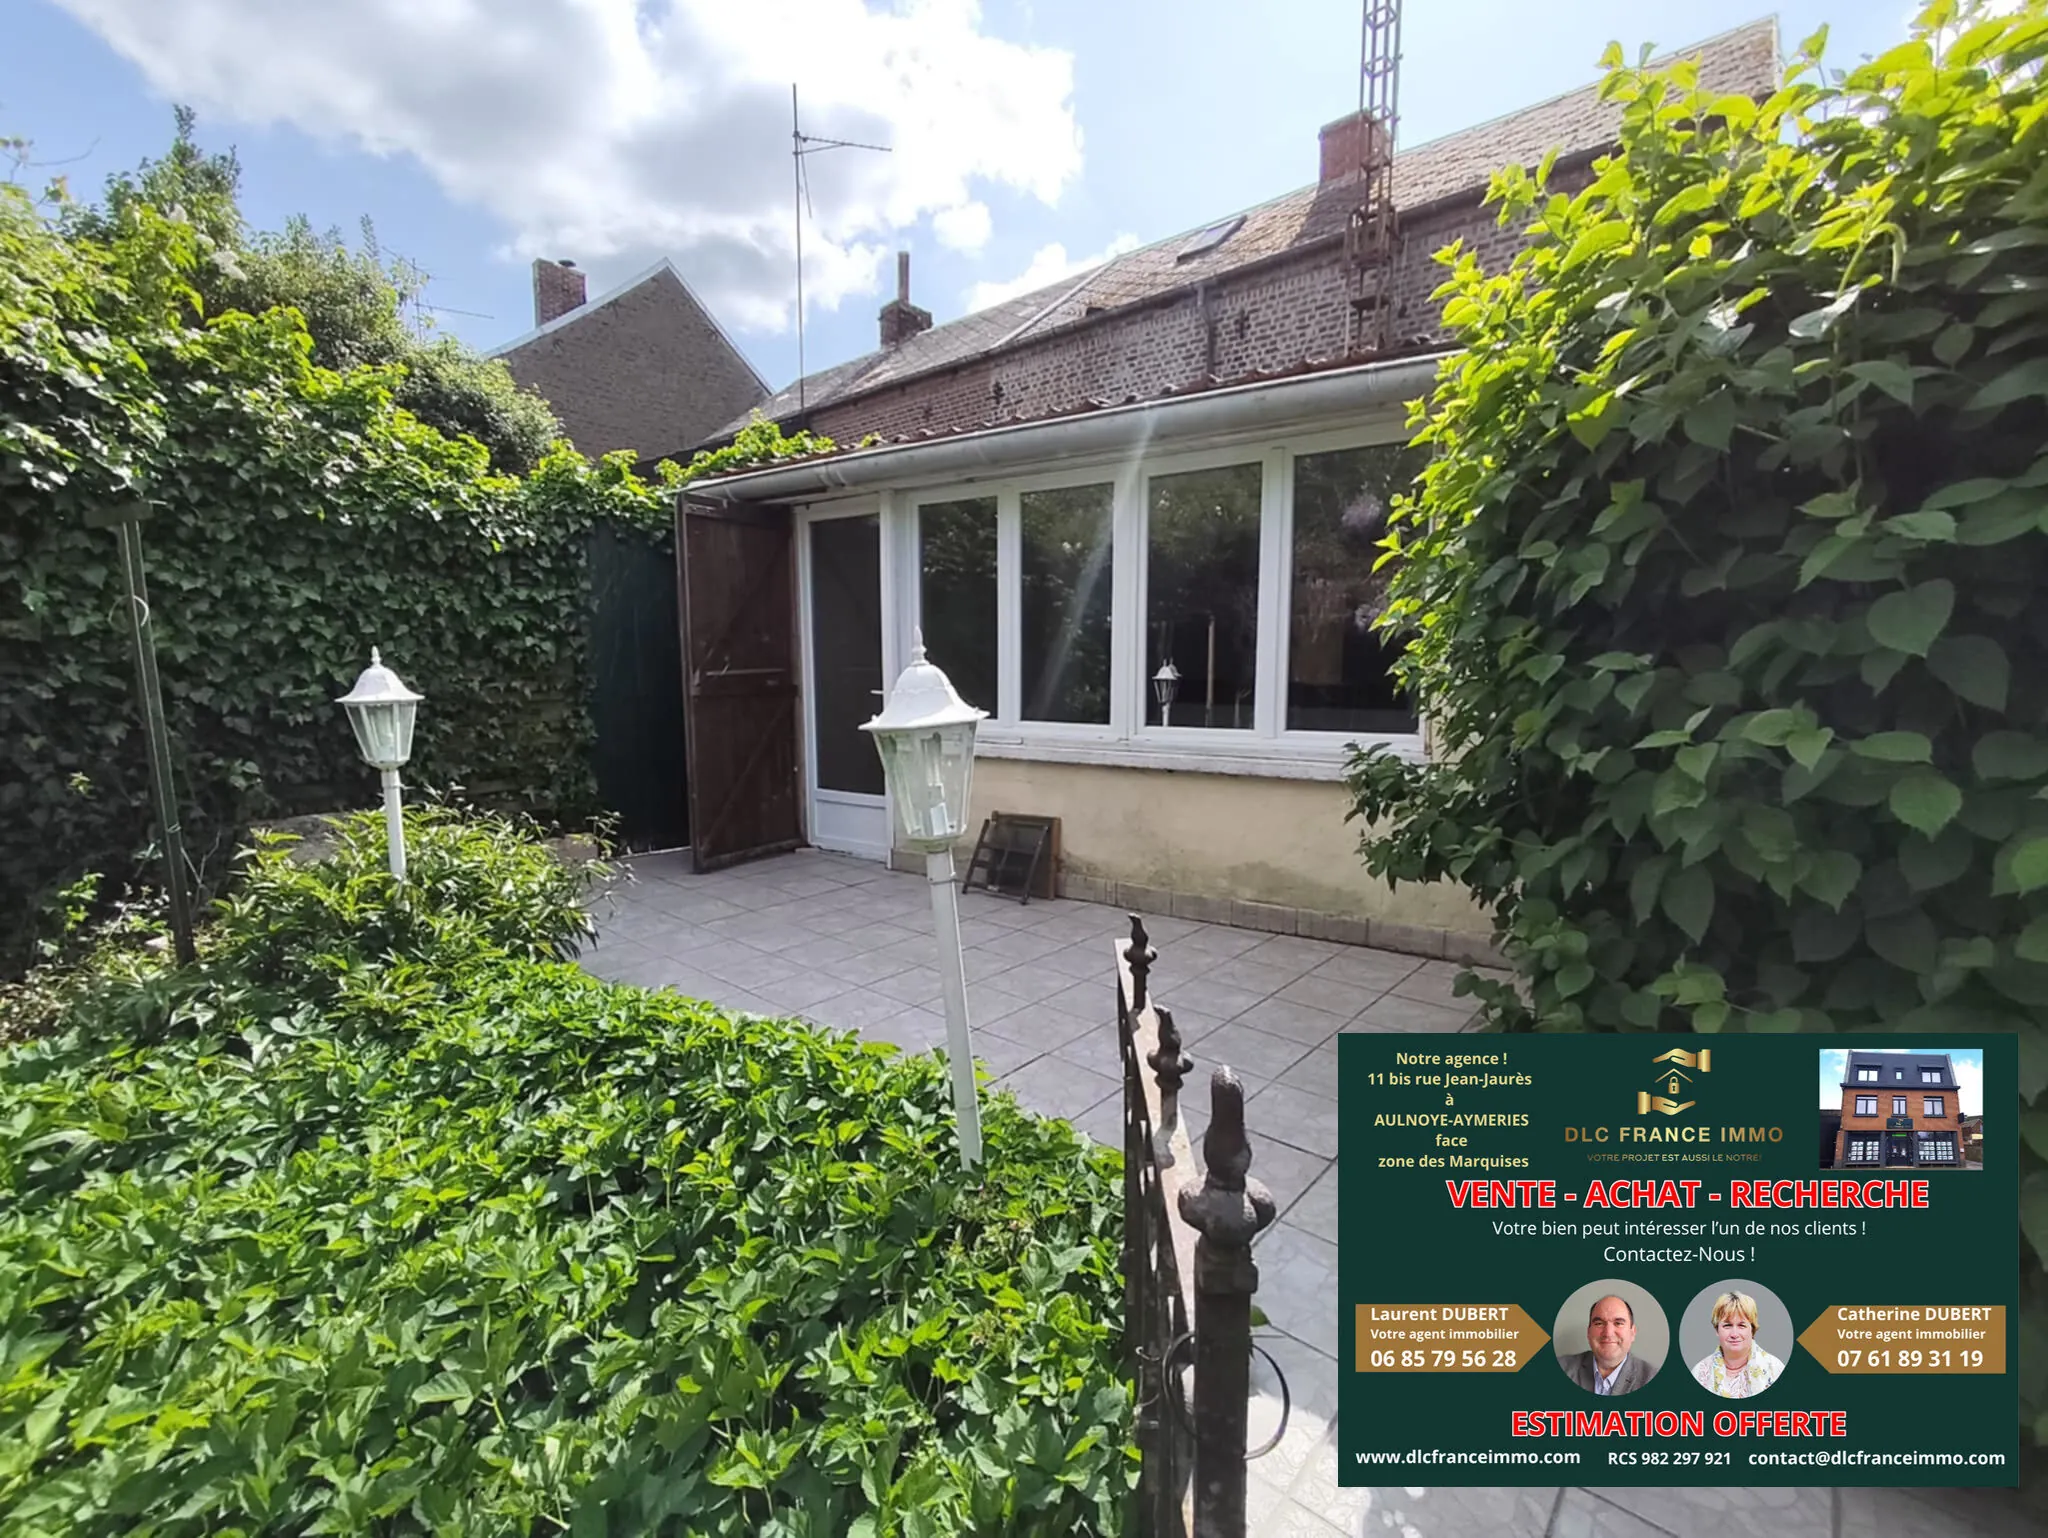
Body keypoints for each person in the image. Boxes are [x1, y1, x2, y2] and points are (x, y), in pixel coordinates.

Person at [1690, 1290, 1785, 1398]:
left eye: (1742, 1325)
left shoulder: (1775, 1369)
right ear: (1717, 1329)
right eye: (1727, 1325)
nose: (1734, 1334)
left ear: (1752, 1329)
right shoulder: (1699, 1372)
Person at [1558, 1294, 1656, 1395]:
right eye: (1599, 1323)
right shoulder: (1562, 1368)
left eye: (1618, 1323)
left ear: (1632, 1333)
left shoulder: (1651, 1378)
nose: (1608, 1333)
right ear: (1588, 1332)